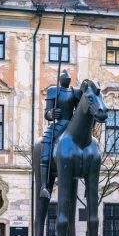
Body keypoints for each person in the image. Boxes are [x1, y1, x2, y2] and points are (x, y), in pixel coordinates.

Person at [40, 69, 82, 199]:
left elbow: (79, 109)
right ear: (60, 80)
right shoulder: (53, 91)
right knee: (46, 142)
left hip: (72, 124)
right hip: (59, 124)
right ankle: (43, 185)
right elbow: (47, 112)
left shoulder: (75, 92)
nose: (66, 79)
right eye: (64, 77)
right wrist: (51, 114)